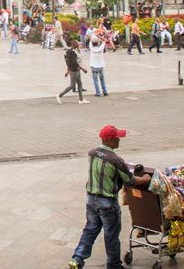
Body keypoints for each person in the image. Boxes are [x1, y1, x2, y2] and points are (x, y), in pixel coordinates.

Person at [68, 125, 151, 269]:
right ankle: (113, 265)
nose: (119, 139)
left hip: (91, 199)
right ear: (110, 140)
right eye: (117, 138)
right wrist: (145, 179)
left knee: (90, 229)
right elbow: (130, 181)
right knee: (111, 234)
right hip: (107, 203)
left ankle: (77, 259)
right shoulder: (116, 159)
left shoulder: (92, 153)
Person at [58, 37, 89, 104]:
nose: (79, 44)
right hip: (74, 70)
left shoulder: (73, 51)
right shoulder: (72, 52)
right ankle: (59, 95)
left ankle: (81, 99)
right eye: (78, 43)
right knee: (72, 85)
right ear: (75, 45)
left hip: (76, 70)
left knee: (80, 84)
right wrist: (83, 69)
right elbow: (74, 63)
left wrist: (67, 71)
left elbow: (68, 62)